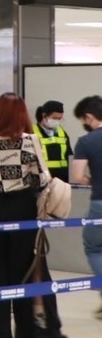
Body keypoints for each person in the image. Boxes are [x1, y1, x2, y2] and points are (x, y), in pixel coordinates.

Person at [0, 93, 59, 338]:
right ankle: (26, 330)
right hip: (22, 208)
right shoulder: (29, 141)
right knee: (24, 269)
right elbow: (41, 179)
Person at [69, 97, 102, 313]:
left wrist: (93, 181)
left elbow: (78, 176)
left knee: (94, 248)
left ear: (89, 117)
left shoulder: (86, 142)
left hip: (100, 202)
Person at [35, 101, 72, 183]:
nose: (57, 121)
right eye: (54, 118)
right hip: (42, 180)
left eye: (59, 119)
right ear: (44, 116)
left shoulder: (62, 133)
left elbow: (69, 156)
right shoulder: (32, 132)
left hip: (63, 180)